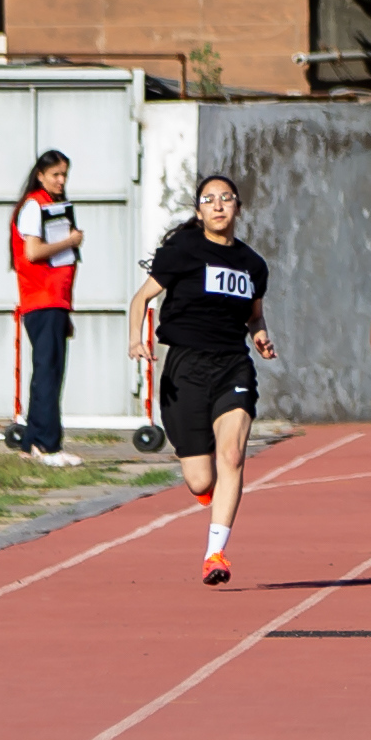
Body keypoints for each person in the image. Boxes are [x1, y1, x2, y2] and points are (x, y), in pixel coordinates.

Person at [128, 175, 275, 585]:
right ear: (199, 211)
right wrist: (135, 340)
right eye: (209, 200)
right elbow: (142, 298)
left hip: (232, 365)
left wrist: (260, 334)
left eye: (226, 199)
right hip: (186, 368)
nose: (218, 205)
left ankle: (216, 553)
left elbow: (254, 314)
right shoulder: (183, 251)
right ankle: (211, 495)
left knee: (232, 456)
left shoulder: (253, 264)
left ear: (237, 208)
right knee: (200, 478)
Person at [11, 150, 85, 468]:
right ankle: (45, 443)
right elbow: (32, 251)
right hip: (40, 299)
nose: (61, 180)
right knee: (47, 372)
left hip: (54, 302)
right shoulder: (34, 205)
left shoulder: (53, 207)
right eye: (55, 174)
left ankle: (35, 442)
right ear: (40, 174)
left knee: (50, 371)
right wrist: (69, 241)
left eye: (64, 174)